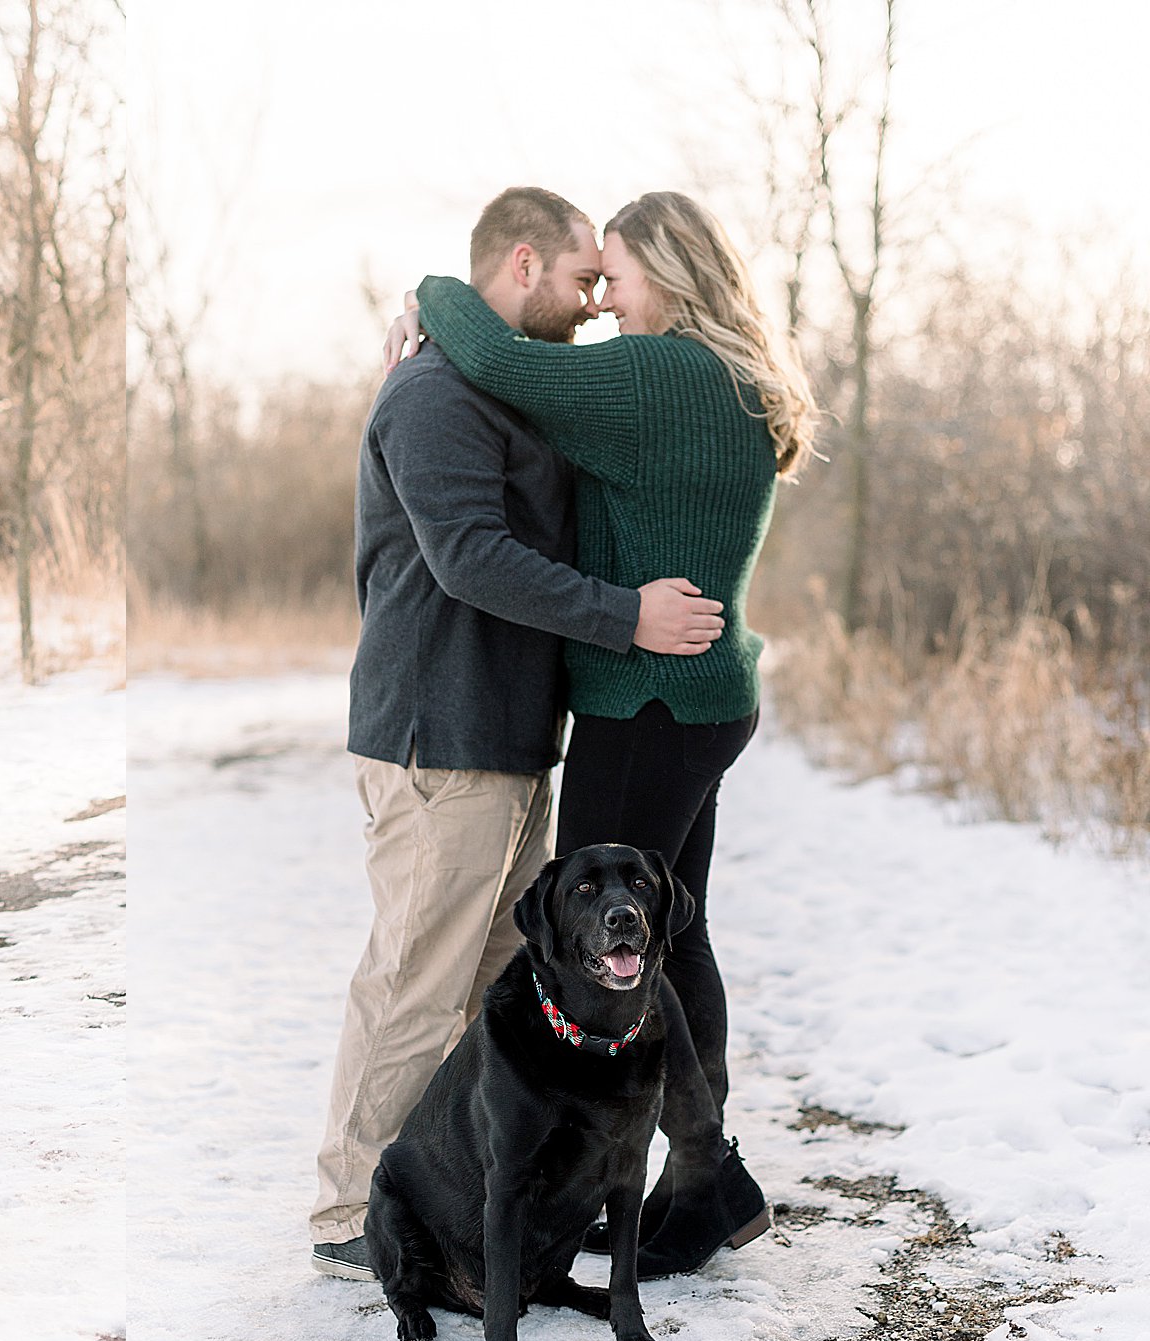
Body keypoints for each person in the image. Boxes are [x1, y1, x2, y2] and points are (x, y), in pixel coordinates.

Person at [393, 188, 820, 1277]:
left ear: (666, 276)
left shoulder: (658, 373)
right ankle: (697, 1185)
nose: (599, 303)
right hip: (699, 698)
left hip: (644, 705)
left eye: (612, 277)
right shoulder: (733, 379)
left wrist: (425, 292)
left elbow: (501, 360)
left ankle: (701, 1179)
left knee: (615, 947)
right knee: (679, 935)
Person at [311, 187, 728, 1281]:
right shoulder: (434, 394)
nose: (596, 302)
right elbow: (469, 559)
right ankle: (351, 1209)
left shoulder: (498, 385)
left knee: (493, 982)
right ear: (526, 264)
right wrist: (623, 613)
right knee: (413, 982)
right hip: (435, 737)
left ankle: (448, 1198)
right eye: (586, 279)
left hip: (503, 741)